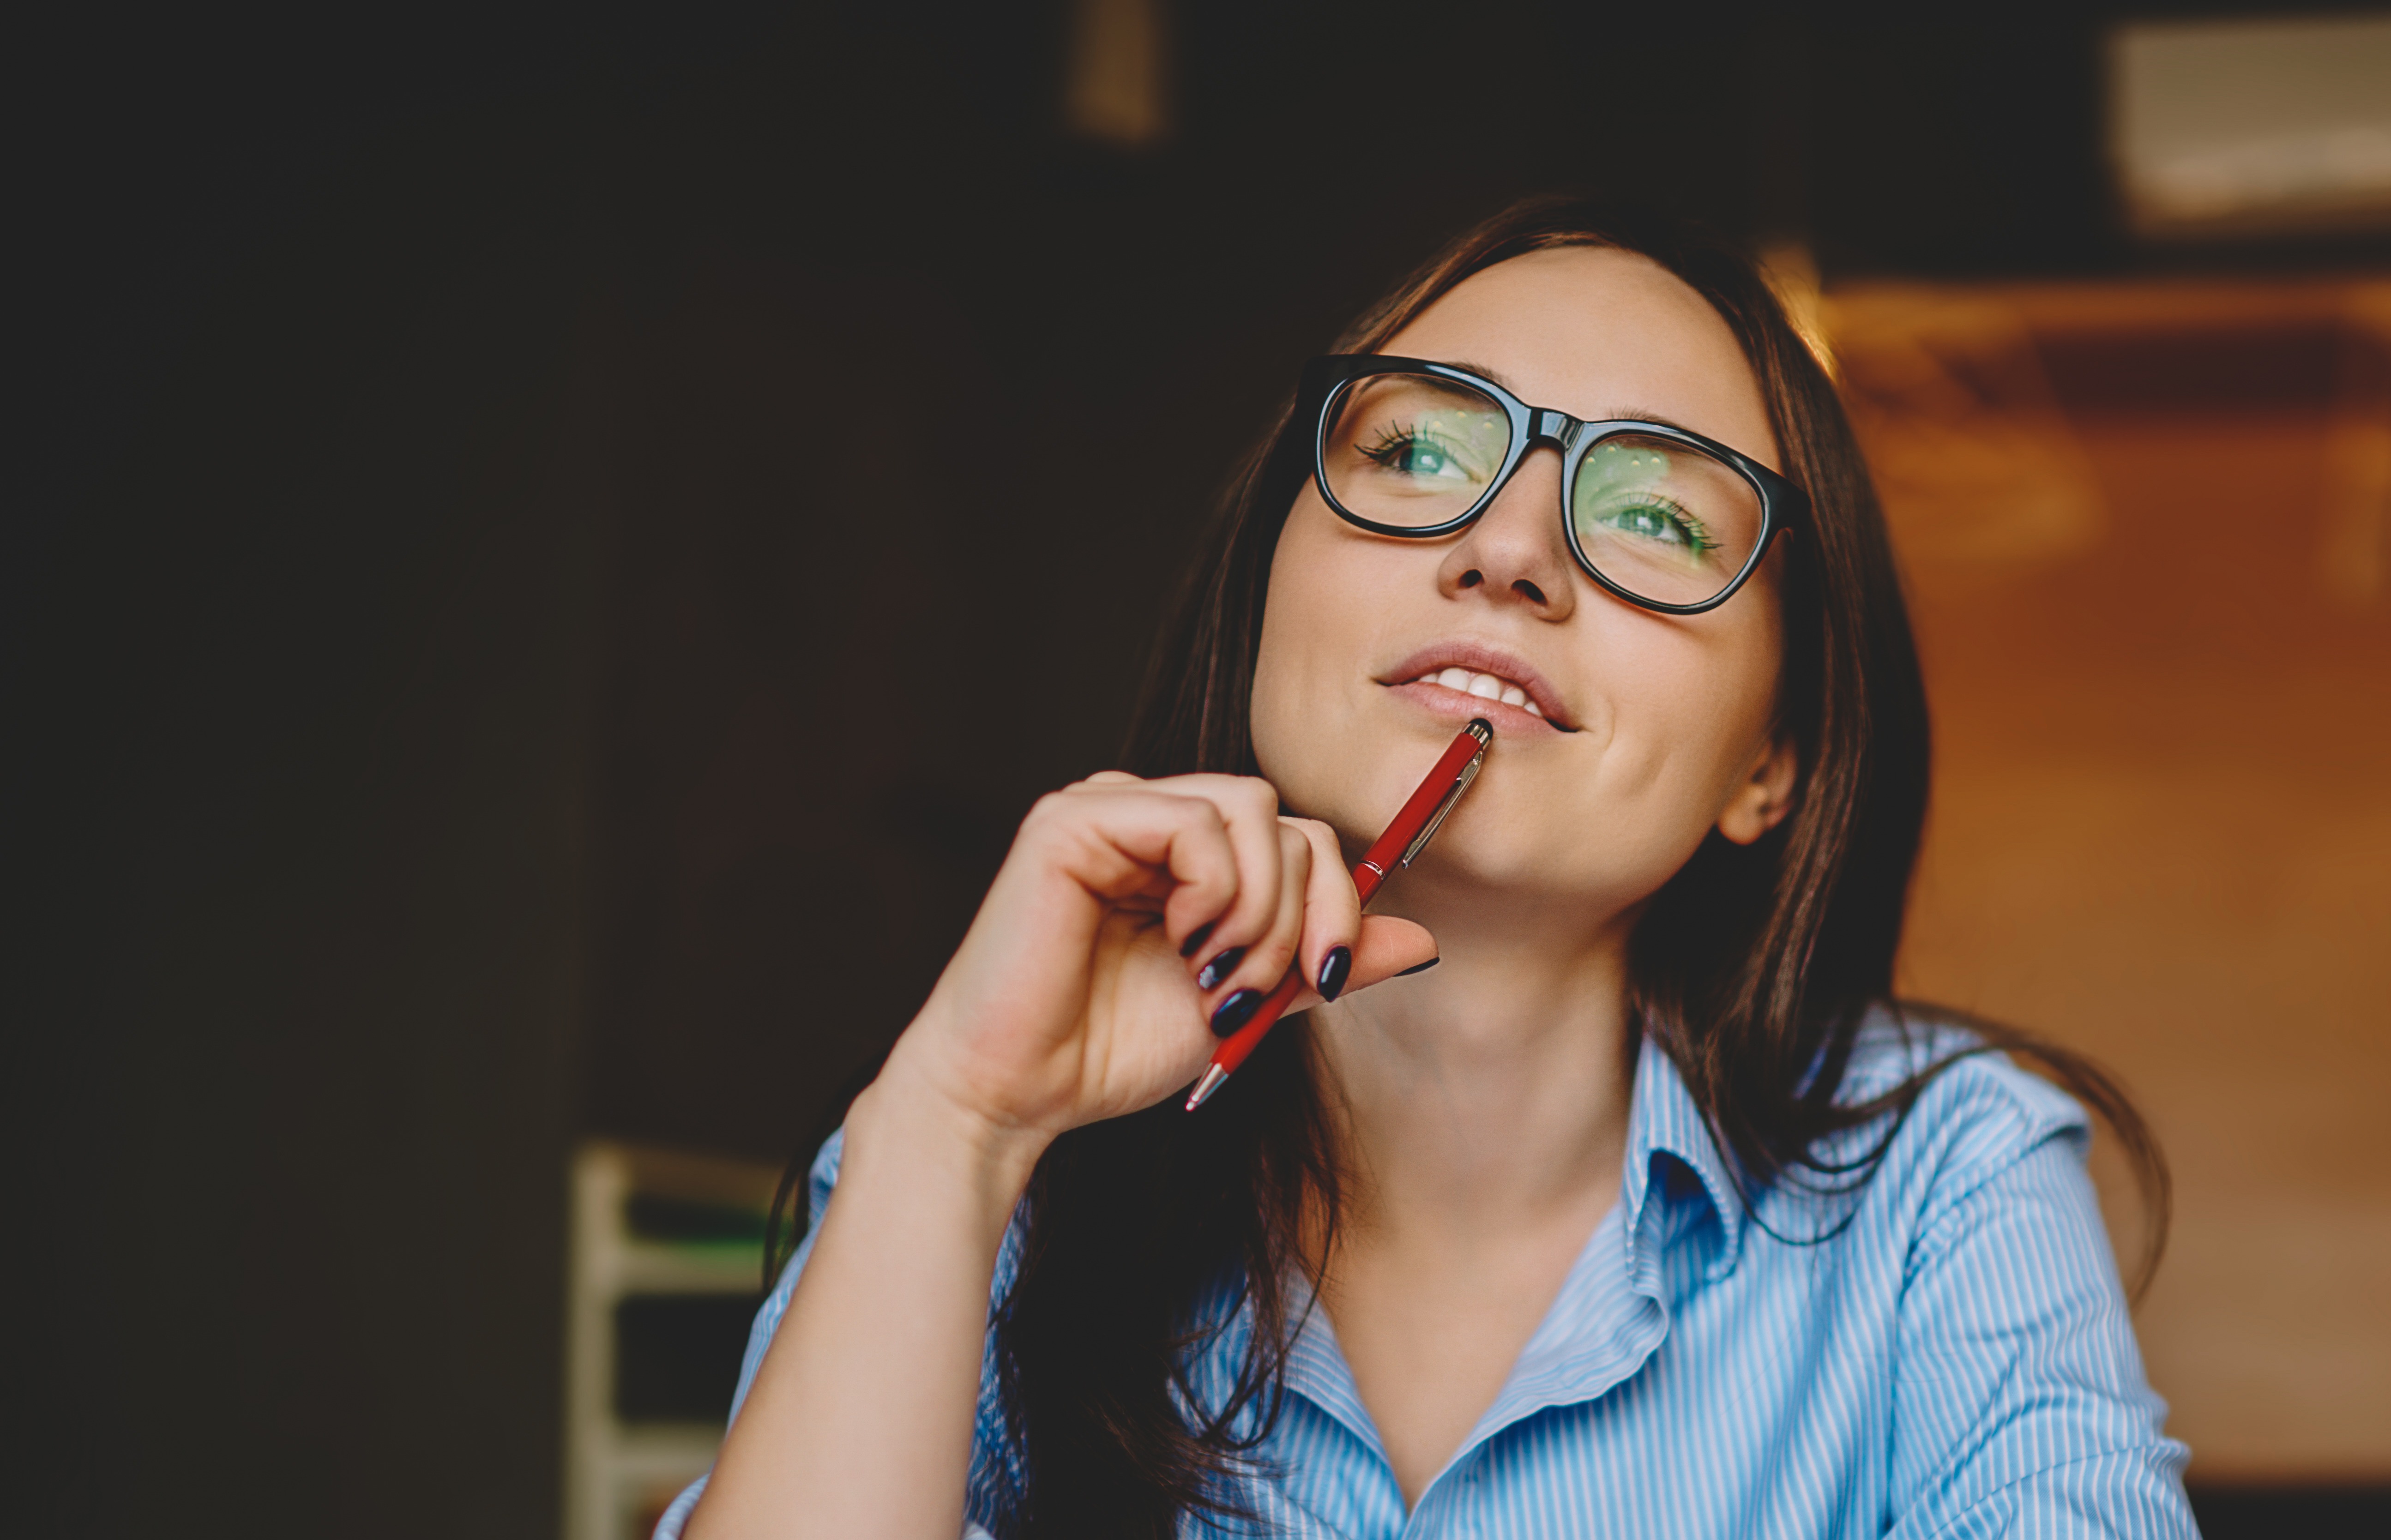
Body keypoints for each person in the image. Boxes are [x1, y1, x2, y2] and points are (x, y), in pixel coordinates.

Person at [666, 198, 2192, 1540]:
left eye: (1656, 512)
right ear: (1268, 587)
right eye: (1412, 450)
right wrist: (958, 1125)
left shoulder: (1943, 1186)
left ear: (1769, 764)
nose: (1510, 549)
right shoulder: (983, 1173)